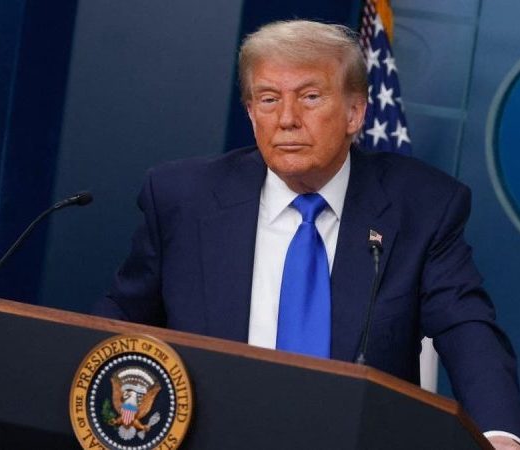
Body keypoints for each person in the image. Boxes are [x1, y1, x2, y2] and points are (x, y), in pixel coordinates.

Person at [94, 20, 520, 447]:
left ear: (355, 113)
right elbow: (122, 315)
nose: (287, 119)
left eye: (310, 97)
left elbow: (466, 327)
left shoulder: (422, 206)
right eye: (268, 99)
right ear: (250, 113)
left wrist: (498, 435)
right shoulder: (184, 199)